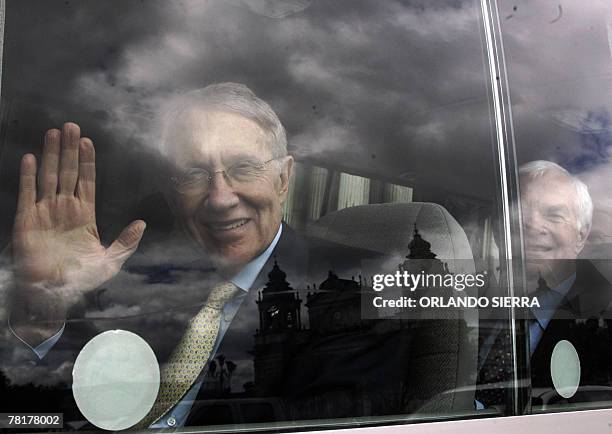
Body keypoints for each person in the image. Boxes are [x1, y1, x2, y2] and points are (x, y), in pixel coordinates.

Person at [2, 82, 308, 427]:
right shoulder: (139, 281)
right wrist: (47, 300)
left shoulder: (347, 289)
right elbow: (42, 404)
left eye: (243, 168)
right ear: (171, 195)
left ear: (283, 179)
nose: (220, 199)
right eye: (194, 174)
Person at [477, 160, 612, 407]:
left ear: (581, 235)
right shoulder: (468, 303)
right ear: (497, 229)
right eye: (519, 213)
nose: (533, 226)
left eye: (554, 214)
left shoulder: (603, 321)